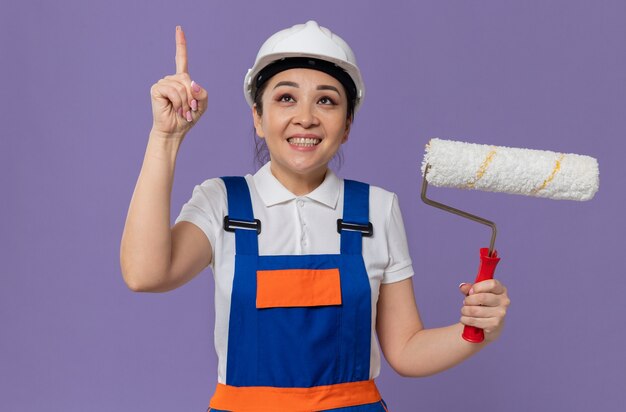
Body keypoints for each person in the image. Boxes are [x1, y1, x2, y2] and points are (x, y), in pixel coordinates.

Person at [120, 21, 510, 412]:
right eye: (286, 98)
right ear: (258, 117)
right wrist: (165, 138)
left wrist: (475, 329)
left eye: (326, 100)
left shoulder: (377, 209)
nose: (305, 117)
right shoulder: (222, 202)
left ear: (347, 127)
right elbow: (144, 273)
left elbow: (406, 350)